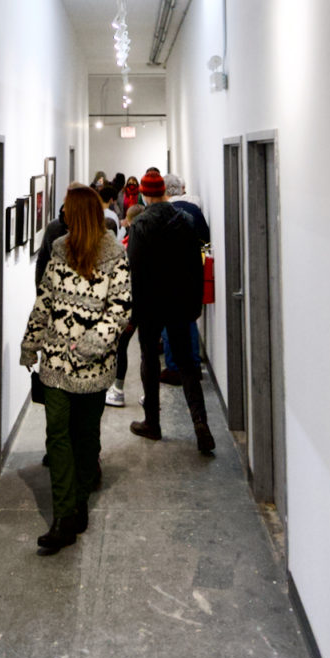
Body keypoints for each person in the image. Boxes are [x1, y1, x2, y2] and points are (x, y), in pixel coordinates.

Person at [21, 186, 131, 553]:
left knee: (85, 436)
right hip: (55, 363)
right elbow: (44, 301)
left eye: (68, 209)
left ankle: (79, 498)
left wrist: (91, 345)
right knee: (57, 434)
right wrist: (31, 343)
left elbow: (120, 308)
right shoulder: (58, 250)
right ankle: (64, 516)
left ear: (79, 213)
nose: (63, 214)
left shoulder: (115, 255)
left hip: (92, 367)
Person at [126, 170, 215, 454]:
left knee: (149, 361)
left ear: (144, 194)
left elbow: (135, 272)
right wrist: (195, 302)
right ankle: (200, 423)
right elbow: (197, 263)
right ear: (165, 191)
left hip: (151, 305)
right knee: (188, 363)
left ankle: (153, 422)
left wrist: (134, 313)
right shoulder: (186, 221)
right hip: (179, 302)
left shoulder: (140, 224)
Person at [160, 173, 208, 384]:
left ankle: (174, 368)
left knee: (169, 322)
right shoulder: (195, 210)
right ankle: (194, 366)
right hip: (192, 274)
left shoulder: (162, 212)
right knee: (189, 321)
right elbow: (206, 239)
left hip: (168, 275)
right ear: (181, 189)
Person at [105, 204, 144, 407]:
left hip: (133, 305)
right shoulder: (141, 242)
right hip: (147, 303)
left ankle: (118, 390)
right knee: (147, 351)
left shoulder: (129, 246)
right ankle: (149, 395)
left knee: (121, 346)